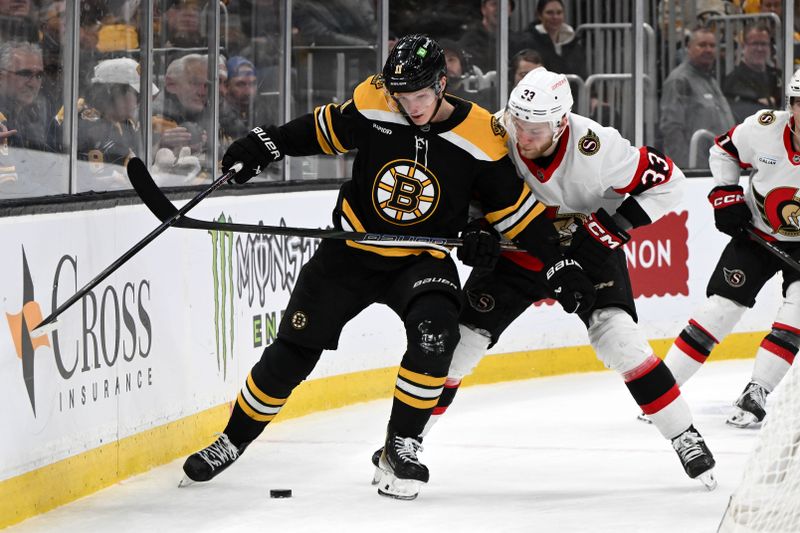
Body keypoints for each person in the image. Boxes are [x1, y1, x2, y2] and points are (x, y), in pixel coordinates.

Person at [179, 34, 595, 500]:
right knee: (293, 351)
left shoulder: (481, 135)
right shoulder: (375, 102)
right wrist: (266, 144)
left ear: (442, 84)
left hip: (421, 258)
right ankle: (230, 441)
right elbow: (322, 129)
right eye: (402, 96)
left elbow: (517, 214)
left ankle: (402, 444)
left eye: (419, 96)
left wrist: (558, 263)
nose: (411, 106)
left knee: (438, 335)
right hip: (352, 250)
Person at [371, 67, 718, 490]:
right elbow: (463, 187)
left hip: (587, 255)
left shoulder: (598, 146)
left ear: (560, 122)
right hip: (515, 258)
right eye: (518, 122)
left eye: (534, 128)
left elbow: (669, 183)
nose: (522, 136)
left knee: (621, 341)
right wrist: (475, 226)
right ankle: (404, 443)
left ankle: (685, 435)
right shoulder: (497, 130)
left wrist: (608, 230)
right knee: (458, 350)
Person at [663, 70, 800, 429]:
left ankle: (757, 391)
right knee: (719, 310)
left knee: (794, 319)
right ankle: (661, 391)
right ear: (792, 106)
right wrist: (726, 195)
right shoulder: (764, 128)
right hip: (757, 235)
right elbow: (724, 150)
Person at [660, 26, 735, 168]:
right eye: (702, 45)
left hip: (717, 166)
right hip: (696, 170)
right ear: (689, 48)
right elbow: (671, 128)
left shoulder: (711, 80)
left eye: (712, 45)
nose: (708, 49)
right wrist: (687, 169)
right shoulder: (679, 80)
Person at [75, 57, 158, 185]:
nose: (139, 103)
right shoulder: (88, 127)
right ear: (114, 91)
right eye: (138, 96)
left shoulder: (123, 123)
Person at [0, 41, 51, 152]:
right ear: (1, 76)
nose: (33, 84)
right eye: (25, 74)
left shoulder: (36, 115)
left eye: (39, 75)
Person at [520, 0, 587, 80]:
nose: (555, 17)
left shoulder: (574, 44)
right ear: (539, 15)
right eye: (549, 13)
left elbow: (583, 76)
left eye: (559, 12)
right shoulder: (527, 42)